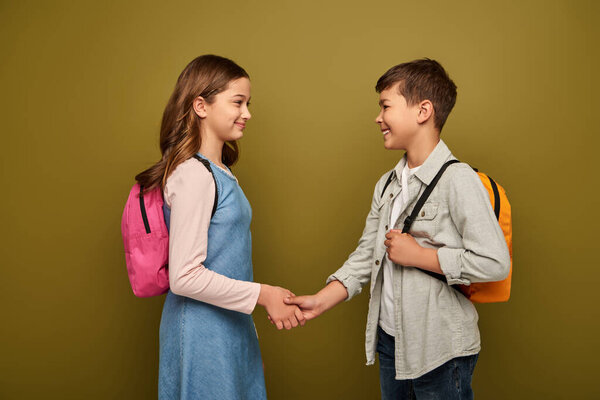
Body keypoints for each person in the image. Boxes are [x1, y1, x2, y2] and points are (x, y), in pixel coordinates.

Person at [284, 59, 510, 399]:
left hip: (441, 349)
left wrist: (420, 256)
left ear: (423, 111)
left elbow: (495, 263)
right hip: (391, 342)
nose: (378, 117)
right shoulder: (387, 184)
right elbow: (367, 255)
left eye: (385, 106)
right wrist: (321, 299)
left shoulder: (458, 179)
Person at [134, 55, 304, 400]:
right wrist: (264, 294)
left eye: (248, 103)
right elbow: (184, 276)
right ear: (201, 106)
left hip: (225, 332)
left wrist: (244, 344)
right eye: (237, 102)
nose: (247, 113)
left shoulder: (220, 170)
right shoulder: (194, 175)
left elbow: (229, 261)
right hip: (200, 336)